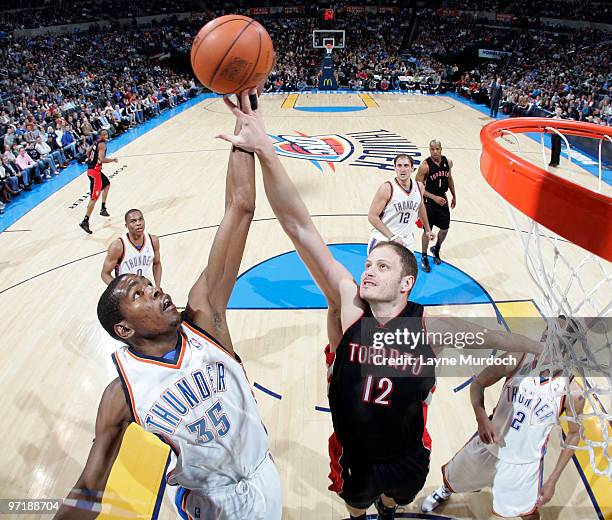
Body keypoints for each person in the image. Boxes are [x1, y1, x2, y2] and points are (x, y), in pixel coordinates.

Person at [217, 92, 544, 520]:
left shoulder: (430, 328)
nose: (367, 269)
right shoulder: (349, 306)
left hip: (408, 454)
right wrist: (266, 152)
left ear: (407, 283)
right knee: (355, 504)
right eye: (369, 262)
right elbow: (299, 226)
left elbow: (495, 336)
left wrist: (547, 349)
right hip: (356, 454)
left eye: (381, 266)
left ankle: (388, 509)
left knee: (394, 501)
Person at [55, 90, 281, 520]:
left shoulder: (204, 314)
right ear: (125, 329)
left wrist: (244, 134)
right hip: (216, 504)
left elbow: (241, 207)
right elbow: (89, 486)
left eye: (147, 285)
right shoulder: (123, 392)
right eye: (140, 294)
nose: (157, 291)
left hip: (265, 473)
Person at [422, 317, 585, 519]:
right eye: (547, 331)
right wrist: (481, 417)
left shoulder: (573, 391)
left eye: (556, 336)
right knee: (453, 478)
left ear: (568, 344)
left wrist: (553, 480)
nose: (547, 338)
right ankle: (446, 492)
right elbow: (478, 384)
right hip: (490, 444)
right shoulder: (517, 358)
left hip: (525, 463)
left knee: (529, 514)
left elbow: (574, 435)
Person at [367, 154, 434, 254]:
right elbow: (372, 216)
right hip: (384, 240)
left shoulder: (419, 187)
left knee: (408, 270)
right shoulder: (387, 188)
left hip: (406, 241)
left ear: (412, 168)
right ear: (395, 168)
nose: (402, 169)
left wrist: (428, 229)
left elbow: (421, 206)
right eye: (399, 166)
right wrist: (392, 237)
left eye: (406, 166)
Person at [416, 140, 456, 273]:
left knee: (445, 229)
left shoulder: (448, 162)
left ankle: (436, 248)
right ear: (429, 149)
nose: (435, 152)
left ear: (441, 149)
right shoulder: (425, 166)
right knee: (427, 232)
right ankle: (424, 256)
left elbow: (449, 179)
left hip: (442, 199)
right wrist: (434, 198)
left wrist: (454, 196)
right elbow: (418, 187)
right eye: (432, 149)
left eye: (437, 149)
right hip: (429, 201)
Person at [101, 209, 162, 287]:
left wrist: (157, 286)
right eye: (133, 221)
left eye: (140, 219)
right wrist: (120, 289)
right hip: (127, 294)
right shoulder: (118, 246)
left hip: (147, 291)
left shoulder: (153, 240)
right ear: (126, 225)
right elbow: (105, 274)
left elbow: (157, 264)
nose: (138, 223)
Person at [79, 130, 117, 235]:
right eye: (104, 134)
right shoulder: (102, 145)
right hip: (95, 173)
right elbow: (102, 159)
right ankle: (85, 221)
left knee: (107, 184)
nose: (106, 135)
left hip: (91, 170)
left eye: (106, 134)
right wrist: (113, 160)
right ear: (100, 135)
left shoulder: (95, 143)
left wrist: (92, 160)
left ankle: (103, 208)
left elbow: (87, 153)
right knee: (93, 198)